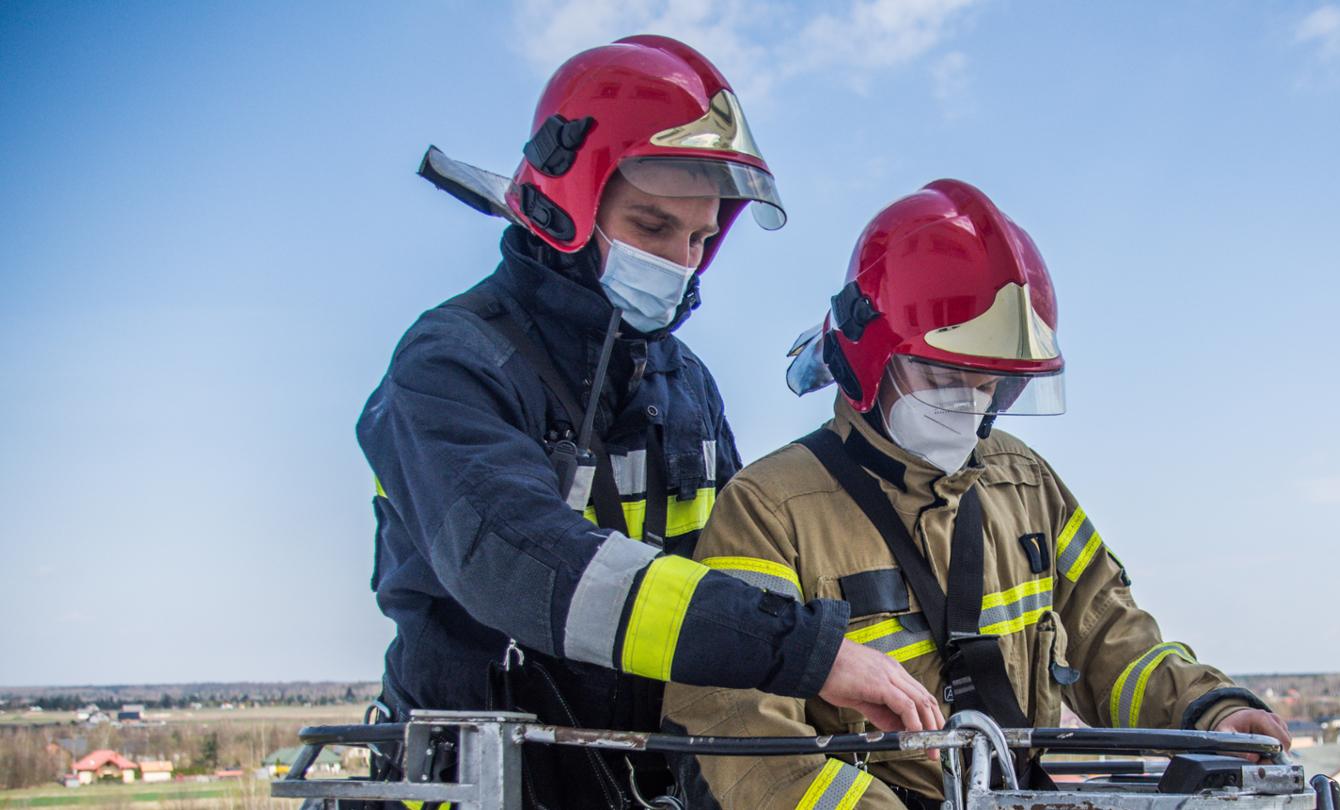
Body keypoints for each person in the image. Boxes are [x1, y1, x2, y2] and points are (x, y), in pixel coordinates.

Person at [357, 36, 939, 807]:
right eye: (653, 228)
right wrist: (804, 651)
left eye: (700, 240)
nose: (681, 263)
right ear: (568, 205)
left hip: (646, 779)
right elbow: (525, 564)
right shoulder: (449, 366)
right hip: (490, 778)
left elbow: (744, 565)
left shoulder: (685, 382)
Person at [662, 179, 1290, 809]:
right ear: (867, 356)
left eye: (989, 380)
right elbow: (738, 739)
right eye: (941, 373)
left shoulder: (1024, 482)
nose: (967, 401)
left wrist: (1210, 709)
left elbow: (1108, 633)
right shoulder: (767, 509)